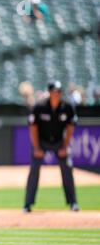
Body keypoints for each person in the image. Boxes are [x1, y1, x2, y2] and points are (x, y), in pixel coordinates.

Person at [24, 81, 79, 213]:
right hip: (42, 141)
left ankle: (73, 203)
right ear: (49, 92)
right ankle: (27, 204)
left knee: (67, 166)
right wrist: (36, 147)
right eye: (55, 91)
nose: (57, 94)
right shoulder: (39, 106)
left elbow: (70, 128)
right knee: (34, 168)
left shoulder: (67, 106)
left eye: (59, 91)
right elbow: (33, 128)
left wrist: (65, 147)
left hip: (59, 141)